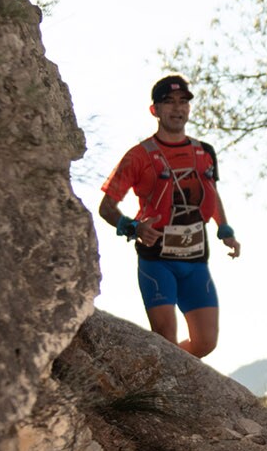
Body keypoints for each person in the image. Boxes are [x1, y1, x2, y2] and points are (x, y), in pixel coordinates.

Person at [98, 74, 242, 357]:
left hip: (196, 259)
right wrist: (132, 226)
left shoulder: (204, 151)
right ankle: (162, 388)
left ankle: (161, 375)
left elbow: (210, 193)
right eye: (169, 102)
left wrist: (225, 229)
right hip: (157, 260)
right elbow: (106, 207)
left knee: (205, 343)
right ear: (155, 110)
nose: (177, 108)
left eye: (183, 102)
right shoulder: (138, 156)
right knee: (165, 340)